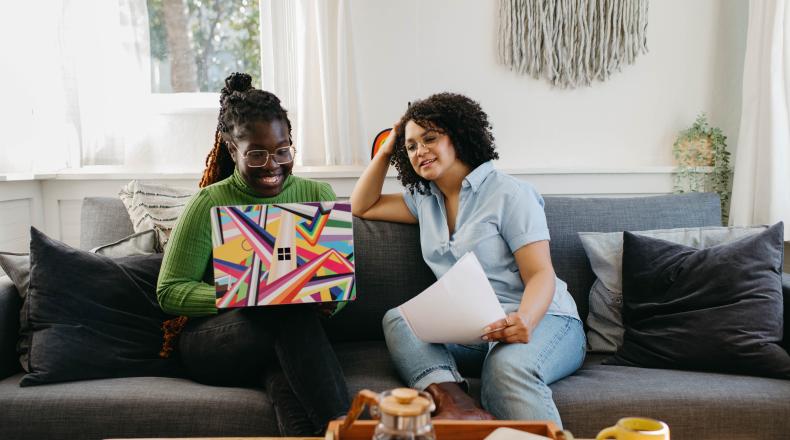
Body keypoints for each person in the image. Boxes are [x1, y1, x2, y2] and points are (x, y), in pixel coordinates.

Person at [349, 93, 585, 427]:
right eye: (411, 146)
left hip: (545, 320)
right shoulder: (424, 200)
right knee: (400, 320)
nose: (419, 151)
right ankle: (457, 407)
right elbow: (363, 205)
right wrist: (388, 148)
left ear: (459, 135)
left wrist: (526, 321)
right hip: (477, 327)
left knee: (507, 367)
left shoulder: (509, 193)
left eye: (430, 138)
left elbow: (540, 274)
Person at [156, 72, 349, 436]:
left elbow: (339, 283)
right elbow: (169, 291)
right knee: (282, 308)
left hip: (290, 339)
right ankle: (344, 428)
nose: (273, 164)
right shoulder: (209, 202)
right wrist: (245, 294)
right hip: (216, 341)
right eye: (256, 154)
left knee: (284, 366)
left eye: (282, 150)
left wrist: (329, 300)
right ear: (233, 151)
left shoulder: (318, 193)